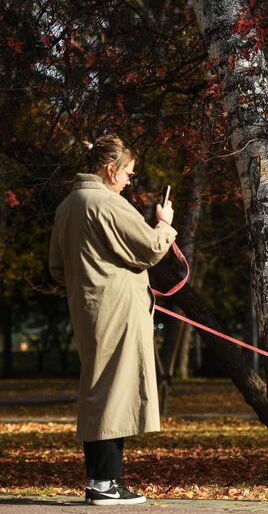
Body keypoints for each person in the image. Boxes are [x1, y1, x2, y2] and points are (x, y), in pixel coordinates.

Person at [49, 135, 177, 506]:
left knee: (100, 387)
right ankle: (104, 482)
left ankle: (105, 480)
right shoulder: (109, 203)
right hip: (119, 308)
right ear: (110, 169)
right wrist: (165, 224)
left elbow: (57, 268)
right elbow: (152, 248)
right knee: (112, 391)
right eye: (127, 173)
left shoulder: (68, 205)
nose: (128, 181)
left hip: (86, 307)